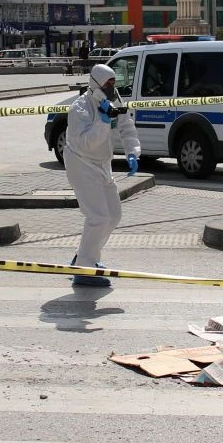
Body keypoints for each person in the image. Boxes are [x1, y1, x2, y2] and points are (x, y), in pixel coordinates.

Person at [64, 63, 140, 288]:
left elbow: (127, 127)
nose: (112, 86)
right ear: (96, 83)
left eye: (114, 82)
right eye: (108, 83)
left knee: (114, 215)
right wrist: (103, 121)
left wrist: (133, 152)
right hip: (81, 163)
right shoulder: (80, 108)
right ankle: (85, 269)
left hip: (103, 165)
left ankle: (84, 256)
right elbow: (86, 143)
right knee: (98, 217)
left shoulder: (114, 102)